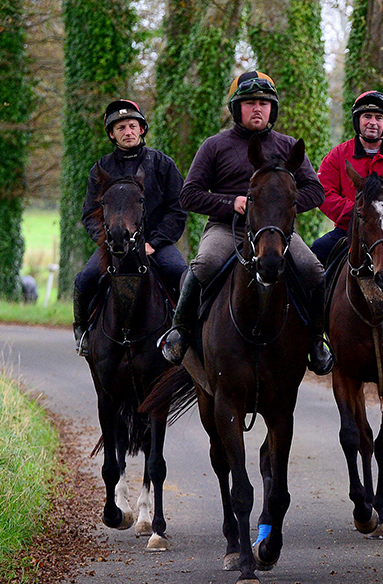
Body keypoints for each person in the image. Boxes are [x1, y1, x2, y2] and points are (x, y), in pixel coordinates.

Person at [158, 71, 334, 374]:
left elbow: (315, 190)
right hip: (228, 228)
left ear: (272, 110)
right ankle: (180, 332)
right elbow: (189, 195)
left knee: (313, 269)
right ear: (236, 109)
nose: (257, 109)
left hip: (276, 232)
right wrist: (232, 203)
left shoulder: (288, 146)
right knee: (204, 265)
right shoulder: (214, 146)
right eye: (250, 103)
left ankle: (317, 342)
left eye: (264, 104)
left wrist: (281, 210)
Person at [74, 99, 189, 356]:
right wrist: (107, 241)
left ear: (142, 129)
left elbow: (177, 209)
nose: (128, 132)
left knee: (182, 274)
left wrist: (154, 242)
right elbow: (90, 214)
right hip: (114, 246)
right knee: (86, 278)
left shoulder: (163, 164)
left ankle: (185, 334)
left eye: (132, 126)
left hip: (155, 244)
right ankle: (82, 332)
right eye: (121, 128)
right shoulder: (101, 169)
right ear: (112, 135)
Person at [312, 90, 383, 264]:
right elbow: (324, 193)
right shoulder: (338, 155)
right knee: (318, 249)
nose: (373, 122)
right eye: (367, 116)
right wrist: (358, 213)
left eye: (379, 118)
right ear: (357, 120)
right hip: (349, 230)